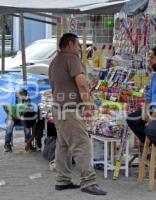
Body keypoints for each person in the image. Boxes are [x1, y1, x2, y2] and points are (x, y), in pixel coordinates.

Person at [48, 33, 107, 195]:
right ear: (69, 44)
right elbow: (81, 84)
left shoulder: (55, 61)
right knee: (82, 144)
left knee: (63, 145)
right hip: (69, 110)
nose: (80, 48)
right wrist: (88, 106)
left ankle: (63, 180)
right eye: (78, 44)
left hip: (58, 108)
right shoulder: (71, 59)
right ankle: (88, 181)